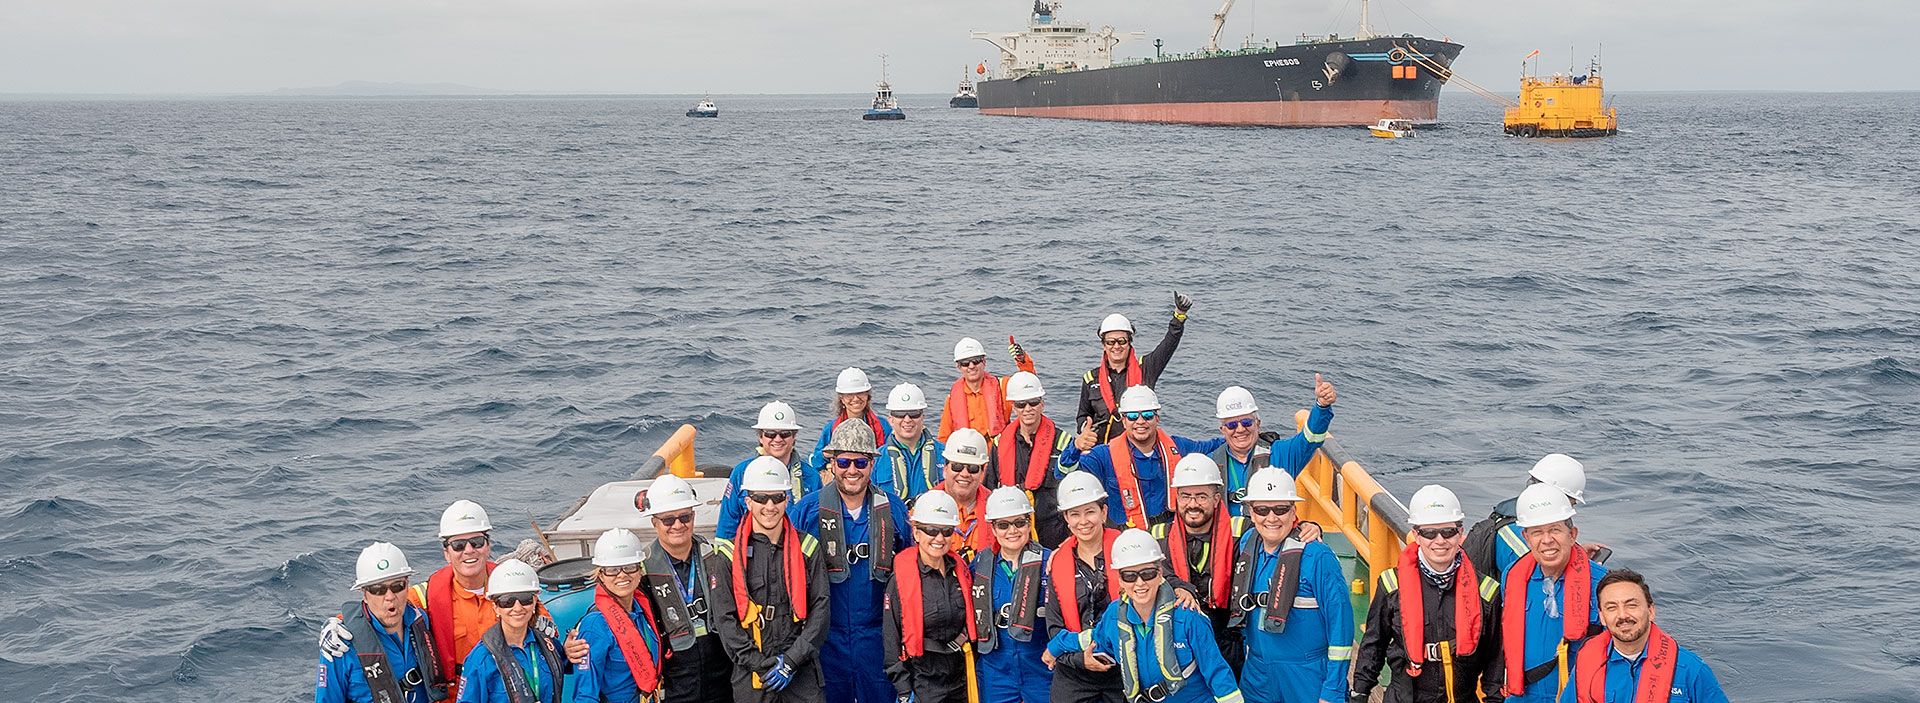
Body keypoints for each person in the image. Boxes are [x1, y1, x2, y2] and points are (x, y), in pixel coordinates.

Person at [319, 502, 586, 699]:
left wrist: (568, 653)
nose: (468, 551)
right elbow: (383, 607)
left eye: (476, 542)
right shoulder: (425, 595)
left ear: (488, 545)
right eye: (458, 545)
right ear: (446, 552)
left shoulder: (515, 590)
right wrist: (337, 624)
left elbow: (546, 648)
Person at [790, 420, 915, 703]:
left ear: (872, 463)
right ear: (832, 463)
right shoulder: (807, 511)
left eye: (860, 462)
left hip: (877, 639)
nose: (852, 470)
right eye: (844, 461)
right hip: (826, 640)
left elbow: (909, 570)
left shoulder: (893, 509)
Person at [1043, 530, 1244, 703]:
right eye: (1129, 576)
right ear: (1119, 579)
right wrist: (1055, 646)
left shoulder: (1188, 616)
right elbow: (1092, 638)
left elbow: (1217, 672)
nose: (1139, 583)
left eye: (1147, 574)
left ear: (1159, 573)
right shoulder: (1114, 615)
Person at [1349, 485, 1503, 703]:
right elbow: (1374, 644)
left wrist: (1494, 699)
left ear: (1460, 533)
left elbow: (1495, 658)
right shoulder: (1392, 585)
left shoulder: (1486, 592)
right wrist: (1360, 692)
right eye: (1429, 533)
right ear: (1416, 535)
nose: (1439, 541)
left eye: (1448, 532)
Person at [710, 456, 831, 703]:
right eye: (760, 498)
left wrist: (792, 661)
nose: (769, 506)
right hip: (752, 674)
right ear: (747, 501)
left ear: (787, 499)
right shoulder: (728, 556)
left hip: (801, 670)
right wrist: (760, 663)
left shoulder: (808, 548)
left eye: (777, 497)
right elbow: (724, 619)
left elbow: (821, 609)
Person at [1229, 467, 1353, 703]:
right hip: (1257, 674)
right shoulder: (1248, 544)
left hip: (1307, 676)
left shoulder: (1317, 557)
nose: (1272, 518)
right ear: (1251, 513)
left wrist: (1333, 689)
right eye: (1262, 510)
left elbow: (1341, 625)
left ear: (1293, 511)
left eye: (1281, 509)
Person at [1500, 484, 1609, 703]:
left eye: (1555, 530)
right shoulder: (1512, 576)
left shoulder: (1603, 584)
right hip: (1523, 697)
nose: (1547, 540)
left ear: (1572, 534)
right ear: (1526, 538)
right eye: (1537, 532)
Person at [1062, 385, 1227, 530]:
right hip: (1125, 535)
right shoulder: (1103, 456)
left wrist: (1241, 431)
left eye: (1147, 415)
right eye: (1133, 416)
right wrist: (1075, 448)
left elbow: (1216, 445)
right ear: (1124, 421)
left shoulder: (1179, 447)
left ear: (1157, 418)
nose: (1140, 421)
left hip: (1171, 533)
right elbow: (1065, 474)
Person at [1149, 455, 1254, 675]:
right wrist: (1178, 585)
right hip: (1179, 639)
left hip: (1227, 637)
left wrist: (1305, 527)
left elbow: (1274, 526)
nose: (1193, 504)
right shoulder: (1157, 535)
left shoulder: (1242, 531)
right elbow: (1145, 576)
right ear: (1176, 498)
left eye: (1201, 496)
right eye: (1186, 496)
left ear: (1217, 499)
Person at [634, 474, 735, 703]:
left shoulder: (718, 557)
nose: (678, 525)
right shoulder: (641, 572)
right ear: (654, 522)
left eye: (684, 517)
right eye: (668, 520)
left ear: (693, 516)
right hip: (675, 681)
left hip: (722, 676)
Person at [1558, 569, 1729, 703]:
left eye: (1631, 605)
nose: (1622, 615)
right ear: (1602, 617)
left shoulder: (1691, 670)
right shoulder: (1587, 663)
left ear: (1651, 611)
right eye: (1612, 608)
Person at [314, 542, 450, 703]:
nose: (390, 596)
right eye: (378, 589)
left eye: (397, 586)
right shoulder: (340, 646)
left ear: (407, 585)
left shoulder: (421, 621)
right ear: (364, 594)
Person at [884, 491, 984, 703]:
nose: (939, 538)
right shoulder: (901, 581)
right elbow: (890, 638)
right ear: (917, 533)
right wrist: (903, 689)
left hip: (961, 679)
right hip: (922, 682)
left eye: (946, 531)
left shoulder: (961, 573)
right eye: (931, 530)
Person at [1044, 471, 1125, 703]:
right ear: (1066, 519)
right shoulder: (1056, 564)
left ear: (1104, 512)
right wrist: (1081, 660)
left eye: (1090, 511)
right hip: (1074, 674)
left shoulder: (1127, 552)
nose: (1083, 521)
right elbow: (1054, 629)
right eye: (1074, 514)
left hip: (1123, 671)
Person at [969, 487, 1055, 703]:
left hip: (1041, 665)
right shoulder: (979, 565)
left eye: (1019, 522)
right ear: (993, 528)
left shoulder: (1050, 562)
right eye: (1003, 525)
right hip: (996, 668)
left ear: (1029, 523)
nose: (1012, 531)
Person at [1207, 381, 1337, 515]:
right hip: (1223, 535)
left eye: (1247, 422)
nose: (1240, 429)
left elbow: (1311, 438)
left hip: (1271, 532)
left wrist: (1322, 406)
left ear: (1258, 424)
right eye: (1232, 425)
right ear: (1222, 430)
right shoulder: (1209, 464)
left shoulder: (1282, 453)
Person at [1076, 293, 1191, 443]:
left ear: (1129, 342)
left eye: (1121, 341)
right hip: (1103, 450)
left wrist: (1179, 316)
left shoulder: (1146, 368)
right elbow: (1083, 415)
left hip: (1138, 447)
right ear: (1104, 345)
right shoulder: (1091, 379)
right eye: (1111, 342)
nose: (1116, 346)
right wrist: (1085, 429)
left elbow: (1169, 344)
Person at [1465, 454, 1604, 578]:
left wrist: (1575, 553)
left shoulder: (1515, 518)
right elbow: (1548, 581)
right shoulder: (1516, 537)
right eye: (1569, 504)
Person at [456, 559, 571, 703]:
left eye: (525, 599)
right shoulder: (481, 658)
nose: (517, 608)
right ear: (496, 607)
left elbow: (568, 663)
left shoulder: (548, 645)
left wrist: (572, 649)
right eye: (507, 601)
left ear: (535, 602)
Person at [572, 529, 665, 703]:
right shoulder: (595, 627)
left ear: (639, 570)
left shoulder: (643, 610)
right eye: (612, 570)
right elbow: (585, 694)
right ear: (601, 575)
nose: (622, 575)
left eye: (630, 567)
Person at [989, 371, 1076, 547]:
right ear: (1013, 407)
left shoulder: (1064, 442)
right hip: (1014, 531)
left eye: (1034, 402)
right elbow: (989, 488)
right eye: (1021, 404)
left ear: (1042, 404)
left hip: (1055, 531)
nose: (1028, 409)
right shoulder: (999, 444)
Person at [718, 401, 809, 536]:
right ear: (760, 437)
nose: (777, 439)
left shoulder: (811, 476)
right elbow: (727, 525)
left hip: (797, 553)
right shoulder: (741, 473)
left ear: (794, 437)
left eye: (785, 433)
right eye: (770, 434)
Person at [938, 336, 1037, 442]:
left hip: (999, 450)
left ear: (984, 362)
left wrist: (1022, 360)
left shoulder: (1002, 387)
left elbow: (1028, 384)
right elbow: (944, 437)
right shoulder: (952, 399)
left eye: (976, 361)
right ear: (959, 367)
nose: (971, 366)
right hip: (967, 454)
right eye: (965, 363)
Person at [808, 368, 893, 472]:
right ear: (841, 399)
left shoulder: (883, 426)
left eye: (860, 393)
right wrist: (828, 454)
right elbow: (815, 462)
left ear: (868, 395)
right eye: (849, 395)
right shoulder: (831, 429)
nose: (856, 398)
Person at [935, 428, 997, 562]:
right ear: (945, 469)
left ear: (982, 473)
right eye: (957, 466)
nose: (964, 474)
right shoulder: (924, 507)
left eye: (972, 468)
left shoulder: (997, 509)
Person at [877, 383, 944, 501]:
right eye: (900, 414)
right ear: (891, 420)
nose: (907, 420)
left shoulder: (944, 455)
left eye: (914, 414)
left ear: (923, 417)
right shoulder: (876, 459)